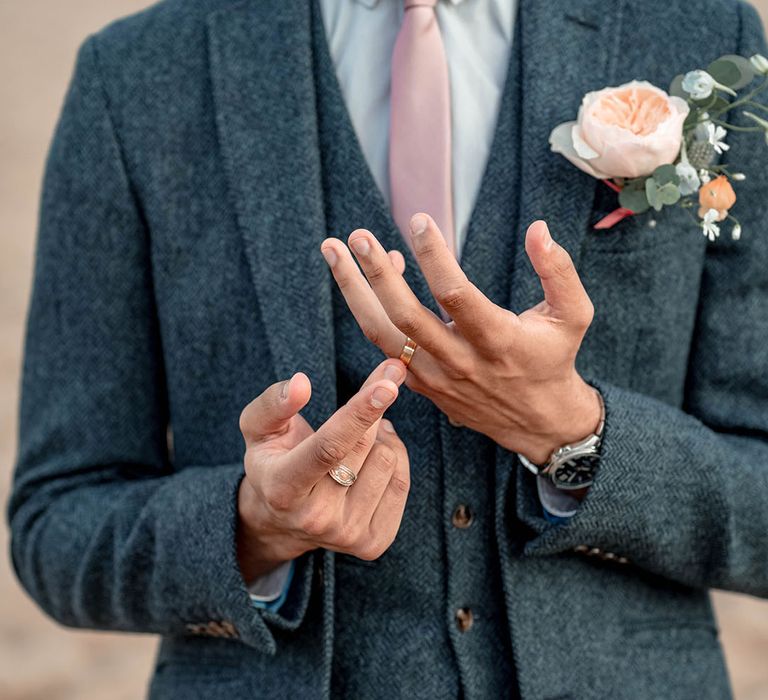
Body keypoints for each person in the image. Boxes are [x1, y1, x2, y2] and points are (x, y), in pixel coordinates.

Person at [8, 0, 768, 698]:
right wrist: (250, 527)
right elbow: (57, 524)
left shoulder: (703, 37)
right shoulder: (138, 71)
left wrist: (576, 437)